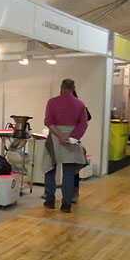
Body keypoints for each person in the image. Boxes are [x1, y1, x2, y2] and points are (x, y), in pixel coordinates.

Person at [42, 78, 88, 213]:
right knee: (68, 172)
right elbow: (83, 124)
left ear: (61, 88)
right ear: (74, 89)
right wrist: (73, 137)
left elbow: (48, 122)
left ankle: (50, 200)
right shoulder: (80, 104)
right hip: (71, 140)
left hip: (54, 137)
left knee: (50, 168)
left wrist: (60, 136)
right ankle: (66, 203)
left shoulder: (52, 102)